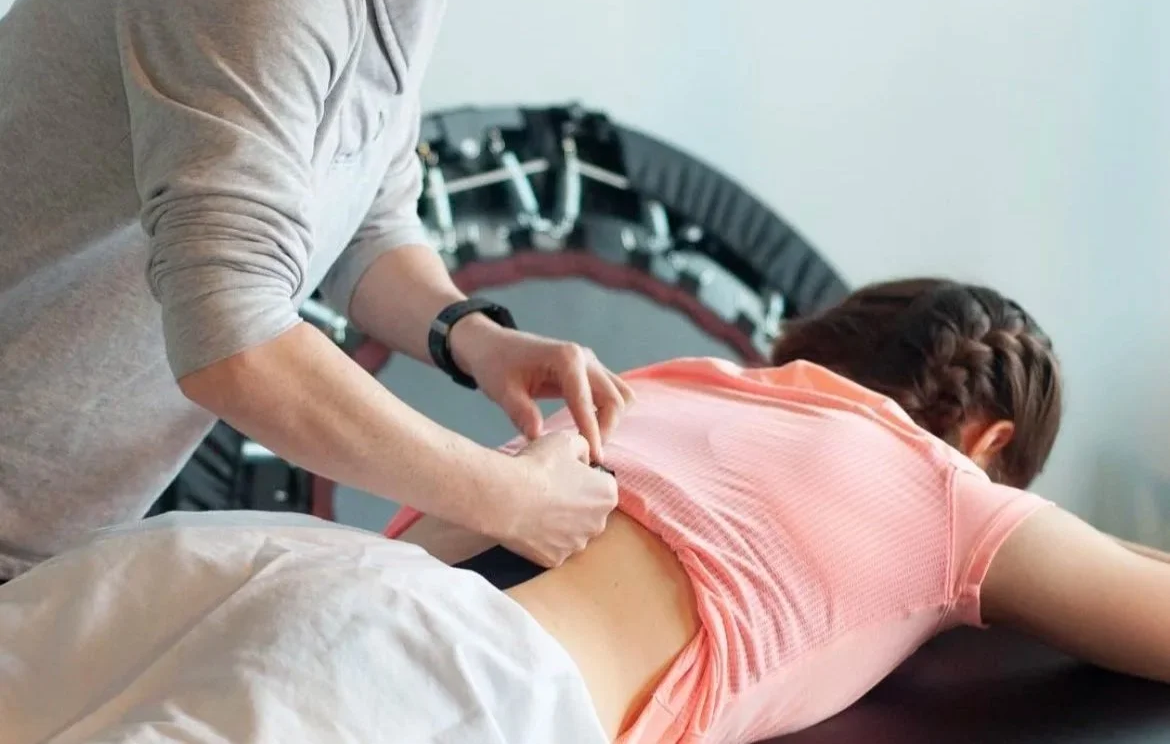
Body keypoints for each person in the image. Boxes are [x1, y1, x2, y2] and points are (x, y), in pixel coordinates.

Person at [3, 277, 1168, 744]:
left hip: (256, 570)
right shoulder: (948, 485)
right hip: (446, 681)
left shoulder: (669, 382)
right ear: (992, 442)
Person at [0, 0, 696, 582]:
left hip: (46, 541)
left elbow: (364, 219)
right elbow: (233, 341)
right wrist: (509, 499)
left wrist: (476, 338)